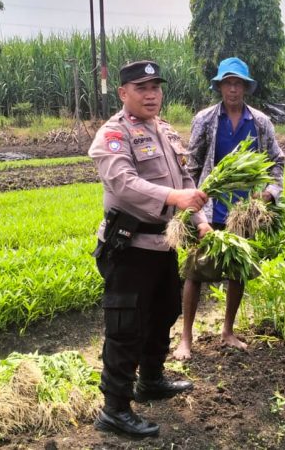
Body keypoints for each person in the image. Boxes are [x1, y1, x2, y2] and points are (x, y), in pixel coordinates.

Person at [88, 60, 213, 438]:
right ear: (123, 93)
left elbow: (186, 178)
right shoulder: (113, 135)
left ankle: (151, 380)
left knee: (165, 311)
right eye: (141, 88)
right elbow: (123, 184)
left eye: (156, 87)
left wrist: (201, 220)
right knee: (126, 326)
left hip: (163, 244)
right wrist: (174, 196)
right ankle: (114, 409)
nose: (151, 94)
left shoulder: (167, 132)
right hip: (129, 248)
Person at [172, 57, 285, 360]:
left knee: (237, 270)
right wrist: (192, 209)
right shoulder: (205, 120)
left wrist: (269, 194)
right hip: (209, 208)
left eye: (238, 83)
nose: (232, 89)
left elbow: (277, 162)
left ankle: (227, 331)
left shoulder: (260, 123)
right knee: (195, 271)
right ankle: (186, 339)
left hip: (244, 211)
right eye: (227, 83)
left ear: (245, 87)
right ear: (220, 86)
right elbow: (192, 166)